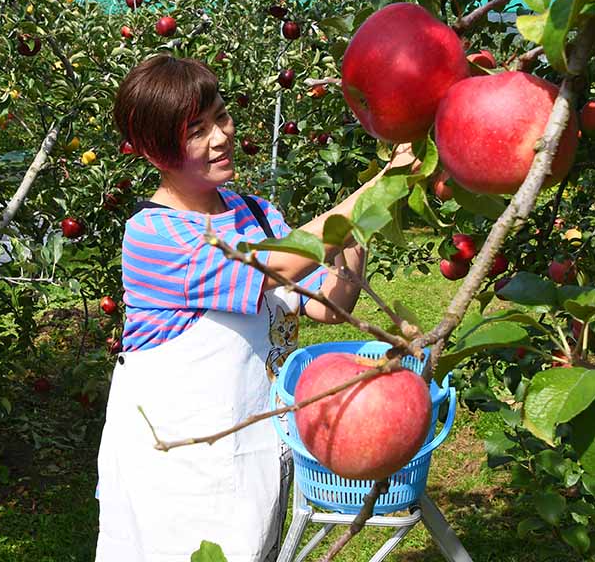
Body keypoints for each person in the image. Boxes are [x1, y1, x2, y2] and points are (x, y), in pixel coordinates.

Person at [95, 55, 416, 562]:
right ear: (155, 151)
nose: (220, 137)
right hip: (179, 461)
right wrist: (381, 185)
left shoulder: (255, 213)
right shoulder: (154, 235)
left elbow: (329, 306)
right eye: (194, 131)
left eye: (220, 117)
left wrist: (359, 225)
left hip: (253, 444)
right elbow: (277, 268)